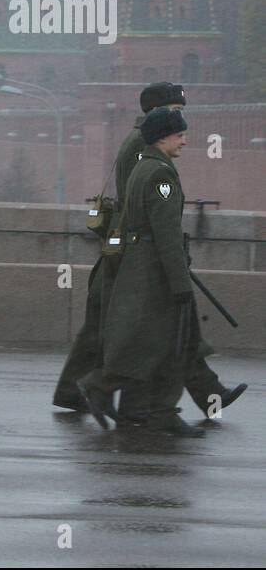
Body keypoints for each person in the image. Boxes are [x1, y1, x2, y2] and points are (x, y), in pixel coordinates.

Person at [53, 82, 245, 419]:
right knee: (131, 329)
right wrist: (158, 256)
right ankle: (121, 399)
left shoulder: (146, 146)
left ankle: (200, 393)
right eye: (176, 111)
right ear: (156, 112)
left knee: (153, 328)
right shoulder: (144, 149)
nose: (181, 123)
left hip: (135, 249)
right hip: (139, 252)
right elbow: (142, 207)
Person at [78, 108, 208, 437]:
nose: (184, 140)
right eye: (179, 134)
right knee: (164, 342)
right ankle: (105, 387)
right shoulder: (161, 175)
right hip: (155, 270)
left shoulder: (142, 167)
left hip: (138, 263)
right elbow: (166, 235)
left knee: (147, 341)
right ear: (163, 136)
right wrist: (180, 284)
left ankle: (143, 407)